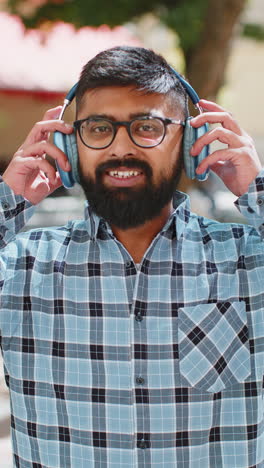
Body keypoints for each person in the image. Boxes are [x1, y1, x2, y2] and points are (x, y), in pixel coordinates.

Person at [0, 46, 263, 468]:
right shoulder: (20, 266)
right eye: (99, 128)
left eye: (147, 127)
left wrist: (257, 188)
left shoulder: (248, 262)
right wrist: (6, 201)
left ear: (192, 141)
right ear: (69, 146)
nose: (121, 148)